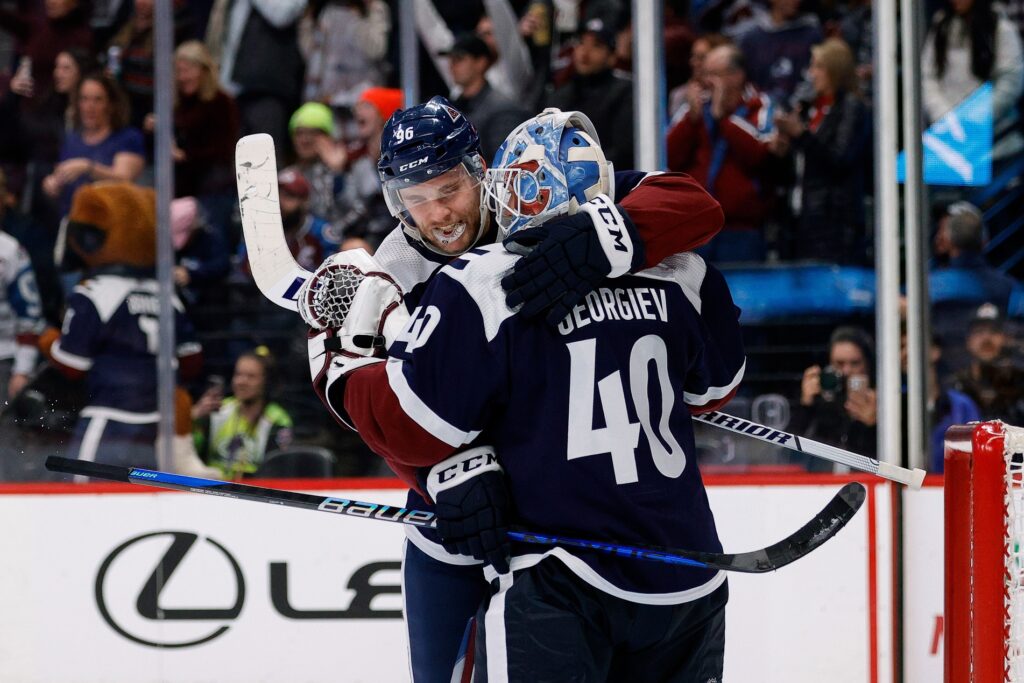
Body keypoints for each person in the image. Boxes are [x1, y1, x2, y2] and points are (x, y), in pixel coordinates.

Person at [304, 109, 744, 681]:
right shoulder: (397, 269)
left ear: (481, 172)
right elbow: (402, 412)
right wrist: (438, 474)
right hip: (463, 514)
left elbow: (693, 205)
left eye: (449, 188)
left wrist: (608, 236)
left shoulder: (544, 182)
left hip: (557, 516)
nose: (437, 214)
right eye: (415, 198)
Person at [39, 182, 202, 469]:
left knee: (83, 499)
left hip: (110, 419)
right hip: (158, 423)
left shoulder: (95, 293)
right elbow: (191, 361)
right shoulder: (167, 297)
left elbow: (72, 365)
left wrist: (46, 339)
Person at [666, 43, 778, 262]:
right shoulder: (695, 107)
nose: (706, 81)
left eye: (714, 75)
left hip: (741, 229)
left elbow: (760, 154)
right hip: (696, 228)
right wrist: (692, 120)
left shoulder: (758, 104)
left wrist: (724, 119)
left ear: (736, 76)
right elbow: (669, 156)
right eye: (705, 74)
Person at [772, 38, 871, 264]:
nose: (811, 73)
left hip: (833, 224)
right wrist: (783, 150)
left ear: (836, 70)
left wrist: (801, 136)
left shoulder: (852, 108)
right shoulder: (808, 109)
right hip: (799, 220)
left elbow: (839, 159)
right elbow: (801, 164)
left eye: (818, 66)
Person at [922, 0, 1024, 163]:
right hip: (951, 142)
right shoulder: (941, 26)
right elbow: (928, 77)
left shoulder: (1000, 28)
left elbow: (1011, 82)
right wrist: (947, 118)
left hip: (996, 145)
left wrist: (976, 119)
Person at [41, 72, 145, 218]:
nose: (90, 107)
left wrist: (88, 167)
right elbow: (59, 174)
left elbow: (124, 179)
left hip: (112, 223)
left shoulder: (127, 138)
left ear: (111, 104)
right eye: (84, 99)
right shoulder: (72, 139)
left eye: (98, 100)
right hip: (73, 222)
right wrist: (52, 183)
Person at [192, 347, 294, 479]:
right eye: (238, 375)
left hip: (256, 492)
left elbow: (277, 469)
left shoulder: (278, 420)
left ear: (266, 381)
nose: (241, 382)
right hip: (212, 489)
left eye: (251, 376)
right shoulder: (217, 410)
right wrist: (192, 419)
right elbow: (192, 454)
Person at [547, 17, 635, 170]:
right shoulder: (560, 94)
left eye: (596, 46)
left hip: (611, 181)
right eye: (581, 43)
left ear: (612, 57)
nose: (585, 52)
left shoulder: (625, 92)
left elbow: (623, 151)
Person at [789, 326, 878, 470]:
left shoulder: (884, 403)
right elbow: (788, 454)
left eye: (855, 363)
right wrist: (805, 405)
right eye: (839, 364)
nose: (846, 371)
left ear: (868, 365)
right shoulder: (820, 403)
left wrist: (873, 424)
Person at [442, 32, 531, 161]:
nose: (452, 65)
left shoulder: (503, 111)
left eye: (459, 59)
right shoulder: (452, 106)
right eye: (451, 59)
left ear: (480, 62)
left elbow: (502, 165)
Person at [738, 0, 823, 105]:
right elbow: (744, 83)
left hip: (799, 112)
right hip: (758, 113)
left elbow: (814, 80)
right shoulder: (751, 39)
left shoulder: (811, 36)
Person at [952, 303, 1024, 424]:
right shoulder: (957, 386)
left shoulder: (1020, 383)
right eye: (979, 331)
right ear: (968, 341)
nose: (986, 338)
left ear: (1005, 338)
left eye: (994, 331)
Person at [283, 102, 348, 230]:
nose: (305, 139)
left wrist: (338, 173)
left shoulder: (341, 171)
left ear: (328, 137)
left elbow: (349, 210)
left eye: (313, 133)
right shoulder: (285, 176)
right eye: (299, 133)